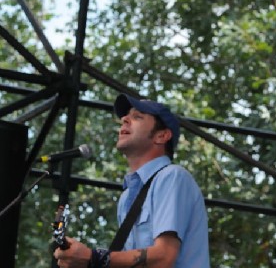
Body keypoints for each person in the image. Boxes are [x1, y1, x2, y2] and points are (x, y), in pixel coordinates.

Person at [54, 94, 210, 268]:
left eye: (137, 117)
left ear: (162, 135)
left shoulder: (172, 176)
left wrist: (94, 258)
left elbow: (164, 257)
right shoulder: (127, 196)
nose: (125, 119)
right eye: (126, 116)